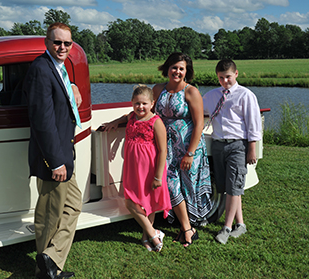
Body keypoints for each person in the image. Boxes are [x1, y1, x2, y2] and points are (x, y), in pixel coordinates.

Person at [23, 22, 83, 279]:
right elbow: (42, 120)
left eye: (67, 43)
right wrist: (55, 161)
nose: (62, 47)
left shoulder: (58, 67)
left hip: (63, 154)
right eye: (57, 42)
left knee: (73, 205)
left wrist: (74, 87)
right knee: (50, 216)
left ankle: (51, 257)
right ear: (47, 42)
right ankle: (44, 270)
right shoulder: (40, 69)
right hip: (54, 158)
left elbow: (60, 99)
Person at [153, 52, 213, 247]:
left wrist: (190, 153)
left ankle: (185, 228)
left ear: (187, 72)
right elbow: (145, 111)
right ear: (167, 68)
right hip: (166, 147)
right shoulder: (157, 89)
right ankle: (188, 228)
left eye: (181, 68)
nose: (177, 71)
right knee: (171, 185)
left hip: (188, 148)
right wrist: (118, 121)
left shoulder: (191, 92)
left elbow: (198, 124)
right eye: (174, 67)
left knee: (188, 187)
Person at [103, 85, 172, 252]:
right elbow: (126, 116)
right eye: (137, 104)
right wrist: (115, 122)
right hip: (133, 168)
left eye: (144, 104)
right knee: (132, 201)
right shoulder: (133, 117)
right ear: (132, 103)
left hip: (151, 169)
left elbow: (163, 150)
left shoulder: (156, 122)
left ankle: (149, 235)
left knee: (148, 202)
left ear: (152, 103)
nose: (140, 107)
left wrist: (157, 177)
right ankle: (151, 233)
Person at [203, 59, 262, 244]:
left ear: (236, 74)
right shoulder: (212, 95)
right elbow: (197, 108)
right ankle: (240, 224)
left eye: (228, 77)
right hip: (219, 144)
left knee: (234, 187)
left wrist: (252, 149)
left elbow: (253, 124)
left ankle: (226, 228)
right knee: (228, 187)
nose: (225, 81)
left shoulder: (246, 95)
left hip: (238, 145)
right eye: (221, 78)